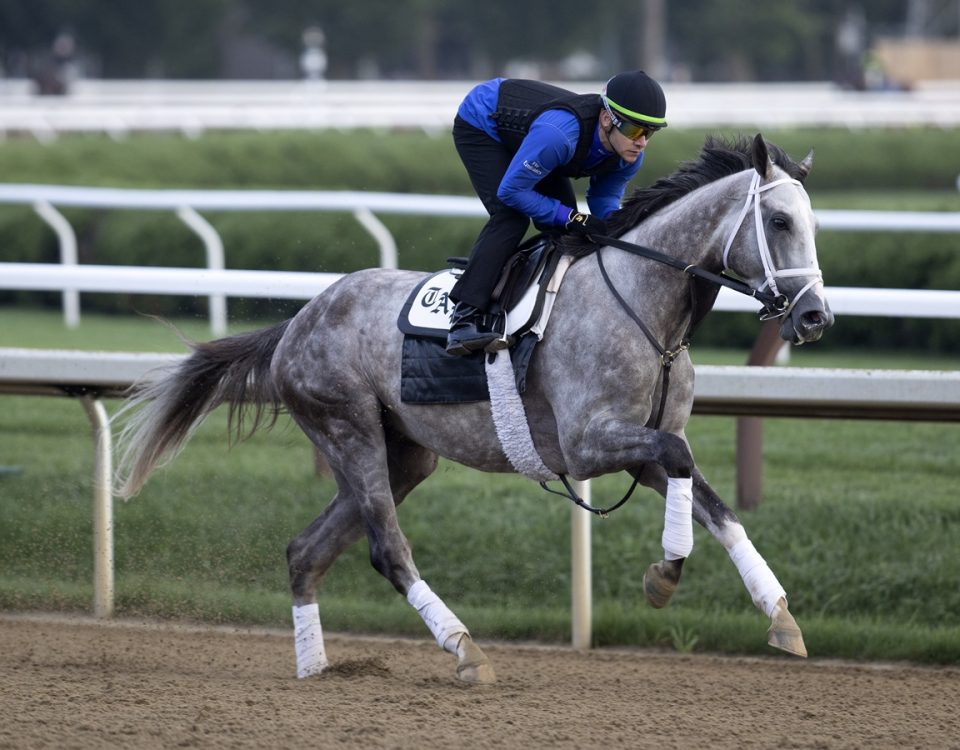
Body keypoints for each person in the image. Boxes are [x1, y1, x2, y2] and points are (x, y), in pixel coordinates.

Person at [446, 70, 668, 356]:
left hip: (536, 141)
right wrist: (572, 217)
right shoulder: (559, 136)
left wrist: (613, 228)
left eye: (649, 132)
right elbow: (511, 191)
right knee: (511, 217)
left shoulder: (629, 155)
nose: (642, 142)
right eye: (635, 131)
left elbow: (604, 198)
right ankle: (465, 317)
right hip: (484, 124)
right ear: (605, 119)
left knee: (567, 232)